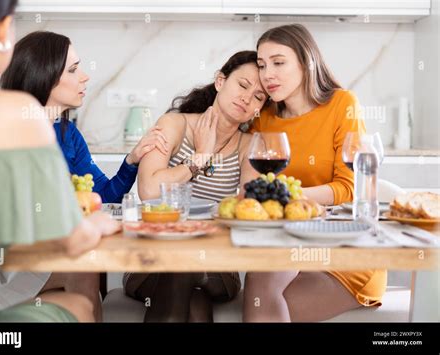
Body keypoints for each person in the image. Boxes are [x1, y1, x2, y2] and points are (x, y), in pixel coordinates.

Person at [0, 30, 168, 322]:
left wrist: (132, 160)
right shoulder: (10, 133)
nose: (85, 77)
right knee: (84, 267)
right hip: (7, 263)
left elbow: (103, 196)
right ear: (44, 76)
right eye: (74, 70)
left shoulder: (67, 132)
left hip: (48, 251)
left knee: (85, 268)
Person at [0, 0, 121, 322]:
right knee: (80, 301)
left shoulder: (56, 128)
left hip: (3, 279)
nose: (85, 78)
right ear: (3, 31)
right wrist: (96, 223)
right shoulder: (19, 115)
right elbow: (73, 237)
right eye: (74, 70)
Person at [242, 24, 387, 322]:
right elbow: (252, 187)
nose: (268, 74)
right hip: (288, 243)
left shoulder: (341, 104)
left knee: (261, 301)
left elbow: (348, 188)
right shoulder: (264, 118)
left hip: (341, 250)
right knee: (258, 284)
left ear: (306, 62)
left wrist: (287, 197)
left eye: (279, 63)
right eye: (262, 65)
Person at [124, 50, 268, 322]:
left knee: (186, 268)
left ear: (259, 108)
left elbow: (248, 208)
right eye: (243, 85)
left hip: (218, 266)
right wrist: (197, 160)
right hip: (154, 260)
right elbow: (149, 190)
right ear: (220, 81)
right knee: (194, 296)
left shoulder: (249, 145)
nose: (247, 98)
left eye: (258, 97)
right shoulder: (173, 125)